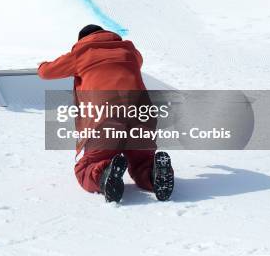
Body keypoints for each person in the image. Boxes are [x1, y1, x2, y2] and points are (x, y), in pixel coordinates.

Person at [37, 25, 174, 203]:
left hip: (106, 117)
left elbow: (45, 72)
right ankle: (155, 173)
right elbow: (138, 62)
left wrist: (41, 64)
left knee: (87, 166)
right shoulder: (129, 51)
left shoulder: (82, 54)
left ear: (82, 40)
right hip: (142, 115)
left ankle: (104, 175)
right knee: (142, 161)